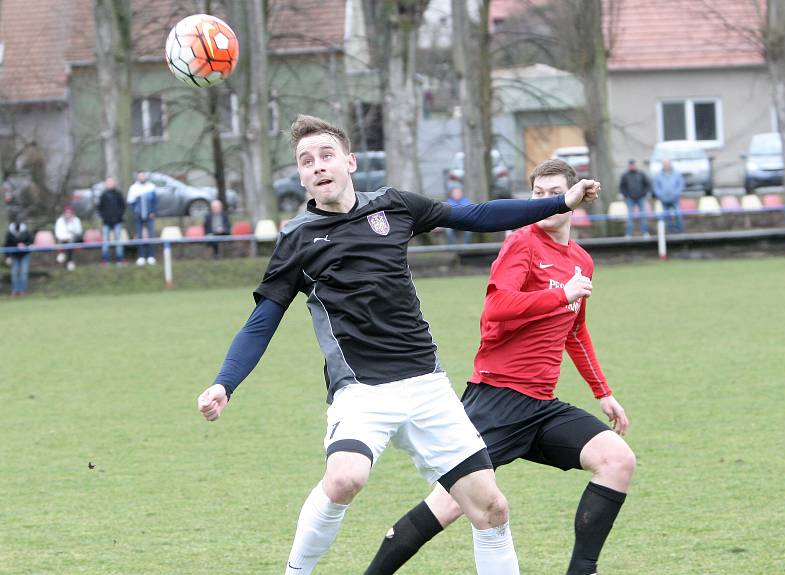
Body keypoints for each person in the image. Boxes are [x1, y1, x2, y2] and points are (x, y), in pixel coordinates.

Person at [195, 115, 600, 575]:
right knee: (346, 477)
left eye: (326, 155)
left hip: (427, 386)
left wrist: (559, 203)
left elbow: (476, 215)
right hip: (362, 390)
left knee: (491, 510)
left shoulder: (394, 206)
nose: (317, 166)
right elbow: (263, 319)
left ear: (349, 162)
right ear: (302, 176)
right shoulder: (298, 238)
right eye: (306, 161)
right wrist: (225, 383)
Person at [364, 159, 635, 575]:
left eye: (553, 193)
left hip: (541, 408)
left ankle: (582, 571)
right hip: (496, 400)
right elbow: (497, 309)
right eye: (538, 194)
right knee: (449, 504)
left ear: (574, 197)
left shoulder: (581, 259)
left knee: (617, 460)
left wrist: (603, 393)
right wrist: (559, 294)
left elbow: (575, 332)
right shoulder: (521, 243)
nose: (545, 201)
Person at [127, 172, 158, 265]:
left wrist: (153, 211)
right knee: (139, 236)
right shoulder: (133, 188)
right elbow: (130, 202)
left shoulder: (151, 187)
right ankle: (141, 256)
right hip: (139, 216)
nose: (142, 177)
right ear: (137, 177)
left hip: (149, 216)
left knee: (150, 236)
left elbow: (155, 201)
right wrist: (135, 212)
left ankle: (151, 256)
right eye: (140, 176)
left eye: (143, 175)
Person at [98, 177, 127, 266]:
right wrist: (104, 217)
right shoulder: (103, 195)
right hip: (106, 222)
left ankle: (120, 259)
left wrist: (119, 216)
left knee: (118, 241)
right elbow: (100, 208)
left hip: (117, 221)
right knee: (105, 241)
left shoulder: (118, 194)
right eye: (108, 182)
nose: (110, 184)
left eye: (111, 182)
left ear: (114, 183)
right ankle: (105, 260)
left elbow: (123, 206)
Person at [619, 159, 650, 238]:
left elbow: (647, 184)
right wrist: (626, 195)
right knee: (630, 217)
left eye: (633, 165)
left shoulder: (641, 174)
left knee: (643, 216)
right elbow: (622, 187)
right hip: (630, 198)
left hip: (641, 198)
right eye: (631, 165)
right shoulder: (625, 175)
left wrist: (644, 193)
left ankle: (645, 233)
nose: (632, 166)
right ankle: (629, 234)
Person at [652, 158, 684, 233]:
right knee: (666, 216)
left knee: (678, 214)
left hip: (675, 199)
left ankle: (680, 231)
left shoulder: (677, 174)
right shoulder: (658, 175)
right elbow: (656, 187)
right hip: (664, 199)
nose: (666, 166)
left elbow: (680, 185)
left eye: (667, 164)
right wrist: (661, 196)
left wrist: (675, 194)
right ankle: (670, 231)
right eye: (664, 164)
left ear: (670, 164)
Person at [5, 216, 33, 296]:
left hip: (24, 255)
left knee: (24, 272)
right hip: (14, 255)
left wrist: (24, 245)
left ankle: (22, 290)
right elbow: (7, 244)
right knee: (14, 273)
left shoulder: (26, 231)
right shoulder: (10, 232)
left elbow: (31, 241)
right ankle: (15, 290)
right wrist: (7, 257)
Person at [54, 205, 83, 271]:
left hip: (74, 239)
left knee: (71, 242)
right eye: (67, 212)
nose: (68, 214)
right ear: (64, 213)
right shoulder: (60, 221)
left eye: (70, 213)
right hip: (63, 240)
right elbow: (58, 234)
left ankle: (68, 259)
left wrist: (72, 223)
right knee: (67, 242)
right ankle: (69, 260)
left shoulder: (76, 220)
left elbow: (79, 232)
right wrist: (68, 237)